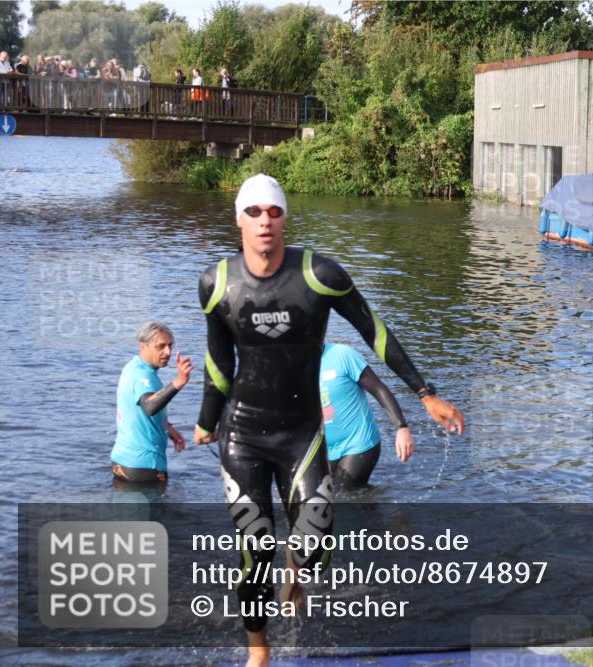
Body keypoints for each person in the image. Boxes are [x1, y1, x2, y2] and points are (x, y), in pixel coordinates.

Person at [192, 174, 464, 667]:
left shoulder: (319, 275)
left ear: (285, 218)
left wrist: (425, 394)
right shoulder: (217, 284)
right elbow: (219, 362)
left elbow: (375, 331)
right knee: (254, 552)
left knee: (315, 547)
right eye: (254, 212)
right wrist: (207, 419)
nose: (264, 221)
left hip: (301, 433)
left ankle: (295, 567)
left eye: (274, 211)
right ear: (239, 220)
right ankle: (259, 653)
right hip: (243, 436)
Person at [320, 343, 414, 488]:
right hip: (321, 449)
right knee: (325, 495)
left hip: (358, 444)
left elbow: (378, 389)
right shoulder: (294, 366)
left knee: (347, 492)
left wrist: (402, 427)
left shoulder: (343, 355)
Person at [111, 321, 194, 484]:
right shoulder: (143, 375)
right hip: (144, 466)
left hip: (123, 461)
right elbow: (149, 406)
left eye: (170, 346)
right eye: (160, 346)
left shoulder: (133, 367)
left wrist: (168, 428)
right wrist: (179, 381)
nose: (167, 352)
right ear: (143, 346)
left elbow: (137, 411)